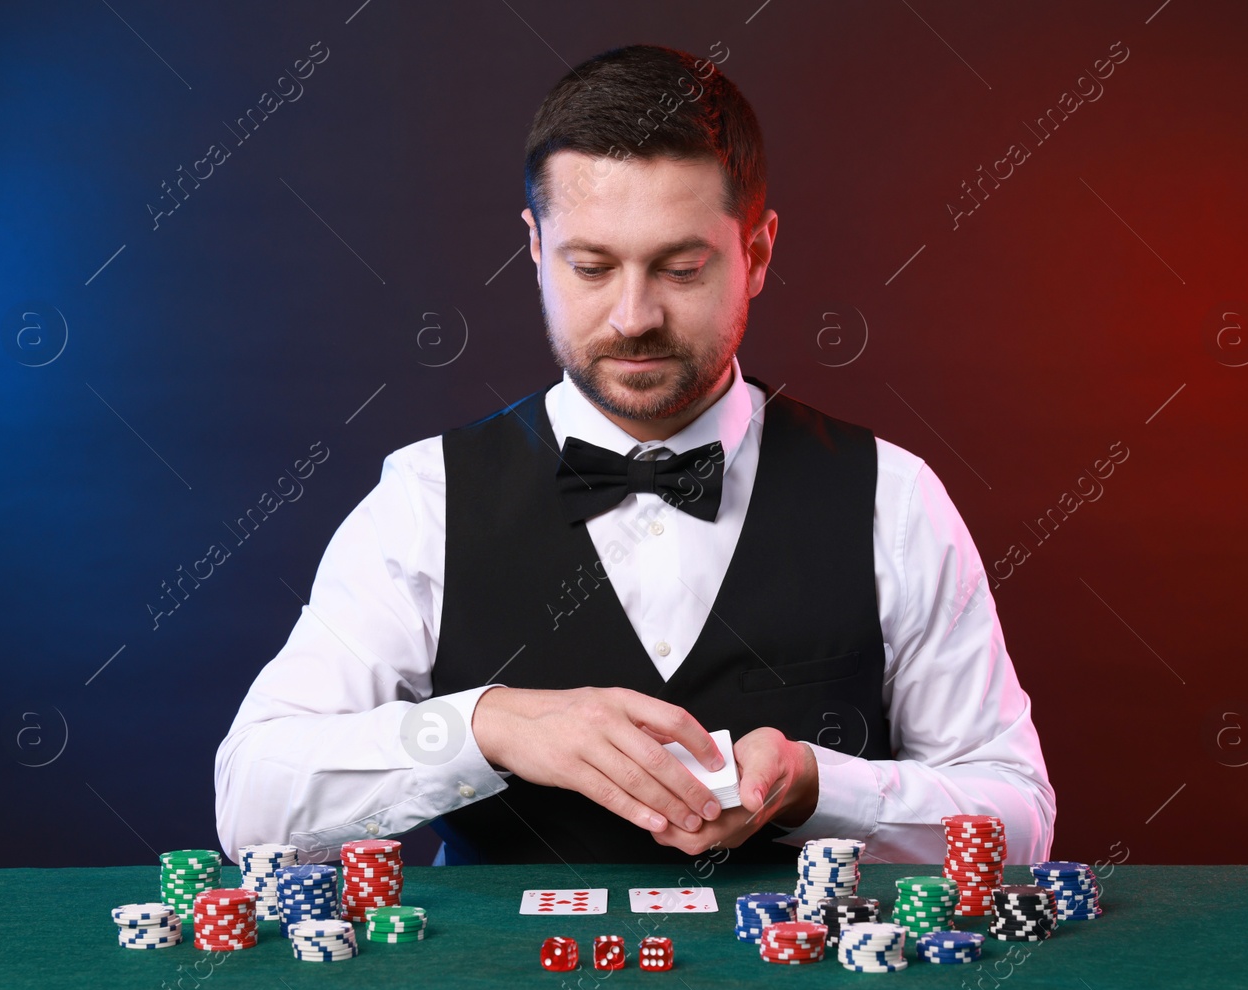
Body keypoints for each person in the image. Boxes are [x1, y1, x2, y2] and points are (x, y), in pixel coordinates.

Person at [215, 43, 1055, 866]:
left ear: (756, 255)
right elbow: (252, 800)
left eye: (680, 268)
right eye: (591, 266)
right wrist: (489, 726)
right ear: (537, 249)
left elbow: (1019, 817)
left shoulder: (892, 497)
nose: (632, 316)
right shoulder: (425, 496)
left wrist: (816, 784)